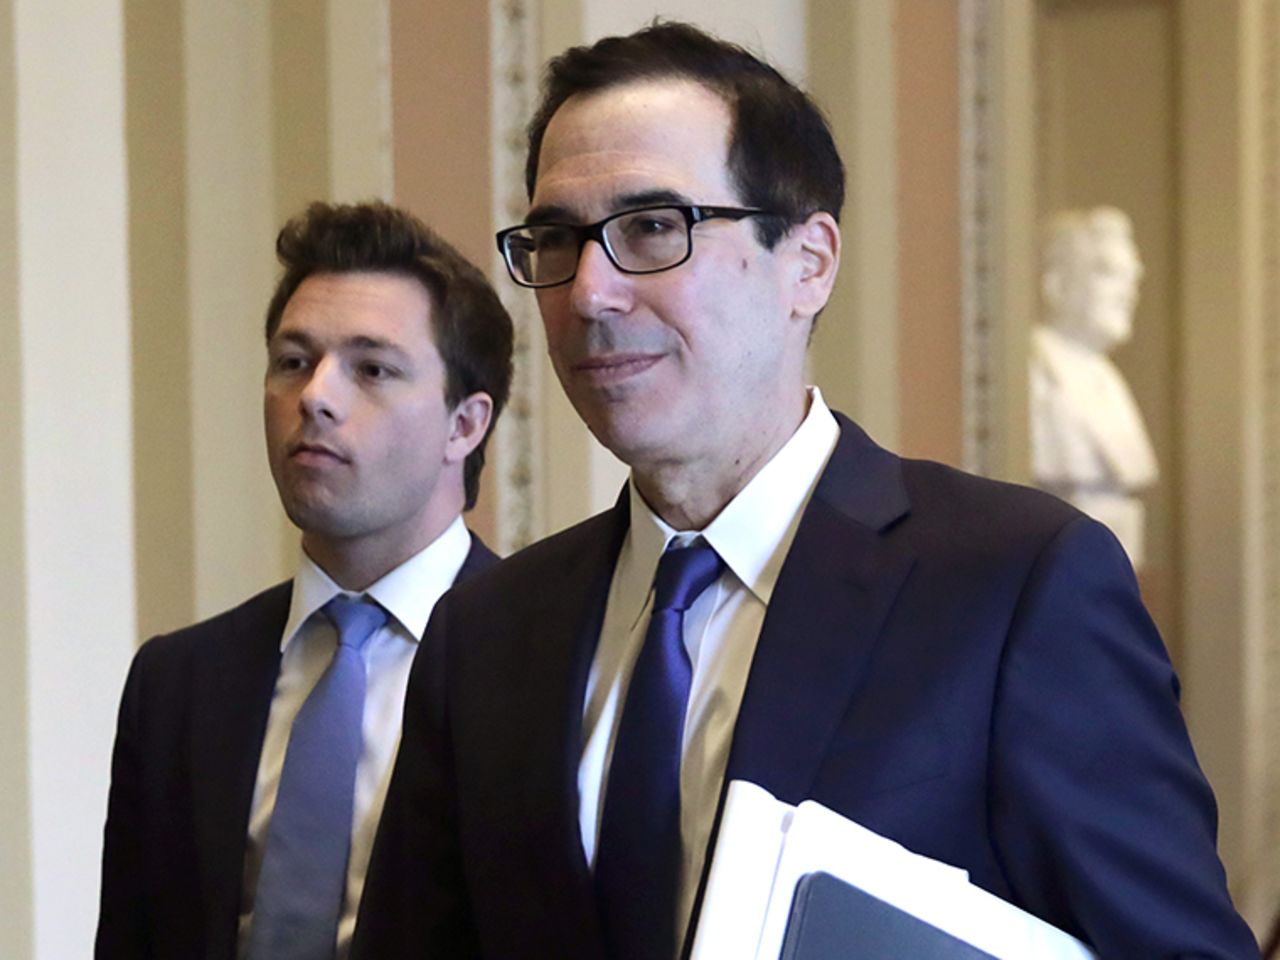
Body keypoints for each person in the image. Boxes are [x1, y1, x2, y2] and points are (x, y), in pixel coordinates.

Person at [354, 23, 1259, 960]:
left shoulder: (1014, 584)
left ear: (809, 263)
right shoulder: (488, 632)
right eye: (556, 239)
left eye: (654, 228)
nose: (589, 292)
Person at [95, 200, 514, 960]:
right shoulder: (178, 682)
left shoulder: (549, 660)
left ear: (465, 425)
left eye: (373, 368)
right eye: (293, 361)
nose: (315, 396)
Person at [1031, 206, 1158, 568]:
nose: (1127, 292)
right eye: (1108, 274)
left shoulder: (1109, 379)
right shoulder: (1037, 377)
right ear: (1055, 284)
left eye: (1131, 277)